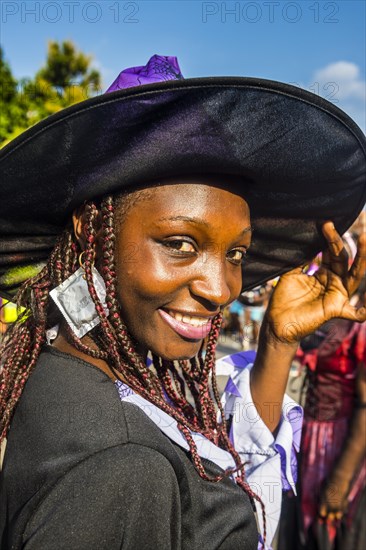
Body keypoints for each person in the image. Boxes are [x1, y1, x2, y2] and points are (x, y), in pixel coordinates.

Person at [0, 55, 365, 550]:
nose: (220, 289)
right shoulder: (122, 468)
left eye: (235, 252)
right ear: (92, 229)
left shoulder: (69, 367)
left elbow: (212, 466)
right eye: (180, 244)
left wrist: (277, 342)